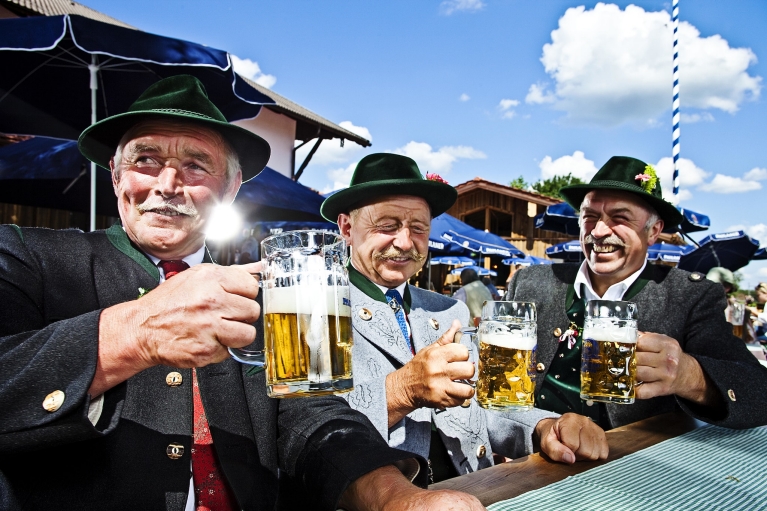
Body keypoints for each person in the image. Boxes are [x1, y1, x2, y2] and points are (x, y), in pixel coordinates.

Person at [0, 76, 483, 511]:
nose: (168, 184)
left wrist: (392, 498)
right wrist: (135, 333)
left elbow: (315, 413)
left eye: (196, 166)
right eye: (146, 160)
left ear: (230, 189)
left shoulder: (269, 294)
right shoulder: (28, 257)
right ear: (116, 174)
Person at [321, 153, 608, 485]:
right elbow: (304, 425)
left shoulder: (449, 311)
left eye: (418, 228)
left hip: (475, 489)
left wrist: (545, 427)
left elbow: (484, 408)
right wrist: (402, 391)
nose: (404, 242)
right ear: (346, 227)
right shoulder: (311, 310)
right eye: (387, 225)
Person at [506, 156, 767, 430]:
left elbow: (758, 392)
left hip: (629, 464)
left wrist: (690, 376)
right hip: (530, 456)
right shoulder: (530, 281)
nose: (599, 231)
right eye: (589, 216)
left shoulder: (689, 295)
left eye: (620, 218)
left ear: (653, 231)